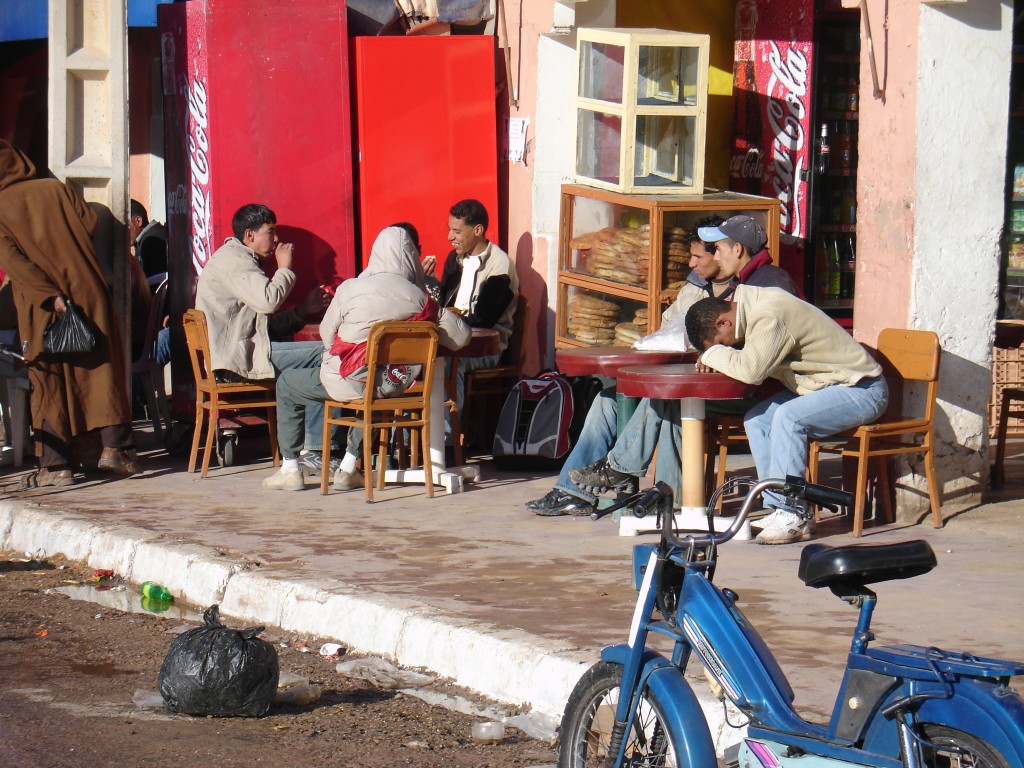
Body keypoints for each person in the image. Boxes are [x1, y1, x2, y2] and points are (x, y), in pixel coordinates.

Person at [566, 215, 802, 503]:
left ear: (736, 250)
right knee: (621, 397)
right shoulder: (733, 283)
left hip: (759, 389)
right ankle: (648, 495)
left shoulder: (769, 285)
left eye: (718, 248)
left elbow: (758, 355)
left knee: (668, 397)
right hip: (725, 379)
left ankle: (640, 482)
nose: (707, 257)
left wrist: (716, 353)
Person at [528, 216, 727, 516]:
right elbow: (671, 326)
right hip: (681, 377)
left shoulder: (742, 291)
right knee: (608, 398)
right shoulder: (697, 285)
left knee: (660, 400)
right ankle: (573, 492)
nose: (690, 263)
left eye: (698, 256)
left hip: (715, 386)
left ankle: (626, 475)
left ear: (721, 253)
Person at [262, 226, 471, 491]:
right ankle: (349, 467)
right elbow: (462, 336)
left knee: (288, 385)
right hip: (391, 385)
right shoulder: (421, 299)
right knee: (373, 391)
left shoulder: (351, 288)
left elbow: (327, 334)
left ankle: (290, 470)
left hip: (348, 380)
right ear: (409, 256)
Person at [684, 285, 888, 544]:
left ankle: (794, 514)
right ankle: (778, 506)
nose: (729, 346)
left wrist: (713, 353)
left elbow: (750, 372)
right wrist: (715, 352)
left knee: (789, 418)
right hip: (823, 386)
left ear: (723, 322)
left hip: (862, 390)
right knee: (758, 420)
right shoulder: (754, 310)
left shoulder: (770, 314)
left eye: (723, 342)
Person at [0, 139, 138, 485]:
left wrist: (50, 297)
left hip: (42, 303)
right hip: (87, 290)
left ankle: (56, 466)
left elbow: (15, 263)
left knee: (48, 380)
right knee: (99, 369)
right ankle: (112, 450)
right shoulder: (55, 187)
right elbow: (90, 222)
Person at [195, 203, 336, 469]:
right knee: (326, 354)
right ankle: (313, 449)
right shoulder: (236, 262)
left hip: (243, 352)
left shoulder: (241, 260)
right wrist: (285, 268)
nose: (276, 239)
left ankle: (308, 445)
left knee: (323, 354)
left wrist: (302, 311)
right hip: (235, 362)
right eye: (270, 232)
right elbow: (269, 302)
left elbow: (262, 328)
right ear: (249, 235)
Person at [425, 199, 517, 419]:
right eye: (450, 230)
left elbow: (484, 321)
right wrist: (428, 283)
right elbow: (445, 304)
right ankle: (409, 437)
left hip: (484, 349)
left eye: (456, 232)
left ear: (478, 230)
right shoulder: (454, 259)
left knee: (448, 363)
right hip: (451, 340)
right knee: (417, 357)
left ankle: (447, 437)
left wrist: (450, 323)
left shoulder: (499, 267)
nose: (450, 237)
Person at [129, 199, 169, 287]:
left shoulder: (152, 240)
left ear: (138, 221)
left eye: (126, 226)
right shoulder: (144, 239)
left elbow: (154, 283)